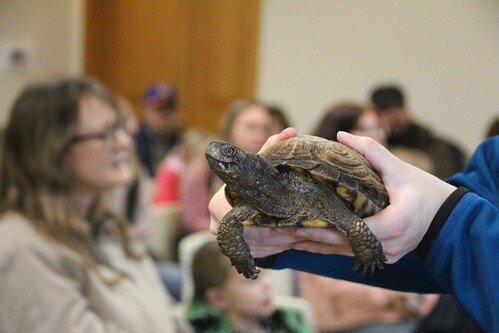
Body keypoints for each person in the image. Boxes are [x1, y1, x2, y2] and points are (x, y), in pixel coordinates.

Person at [208, 128, 498, 332]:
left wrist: (444, 218)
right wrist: (257, 250)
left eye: (231, 153)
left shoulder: (313, 193)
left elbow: (357, 227)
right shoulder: (248, 208)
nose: (217, 153)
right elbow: (231, 225)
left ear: (254, 165)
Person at [0, 77, 189, 332]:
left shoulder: (110, 227)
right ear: (54, 148)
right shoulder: (23, 247)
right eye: (106, 133)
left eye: (120, 128)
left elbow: (168, 319)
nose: (125, 143)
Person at [301, 102, 436, 332]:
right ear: (341, 138)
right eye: (369, 129)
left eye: (381, 129)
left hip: (397, 311)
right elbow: (327, 273)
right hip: (346, 319)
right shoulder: (316, 190)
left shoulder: (380, 184)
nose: (378, 137)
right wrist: (397, 294)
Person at [179, 99, 278, 234]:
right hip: (209, 235)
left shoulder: (269, 167)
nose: (259, 135)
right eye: (250, 127)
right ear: (231, 127)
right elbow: (193, 220)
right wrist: (238, 231)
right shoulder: (204, 164)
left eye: (265, 129)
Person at [188, 240, 313, 332]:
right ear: (218, 299)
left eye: (265, 274)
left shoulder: (289, 319)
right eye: (253, 279)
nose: (267, 285)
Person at [370, 85, 466, 179]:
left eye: (397, 106)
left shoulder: (444, 149)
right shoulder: (374, 151)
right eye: (385, 109)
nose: (393, 115)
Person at [135, 82, 184, 176]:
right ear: (145, 109)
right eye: (160, 109)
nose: (166, 114)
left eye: (170, 108)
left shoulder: (178, 139)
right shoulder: (134, 139)